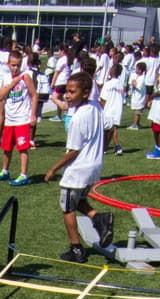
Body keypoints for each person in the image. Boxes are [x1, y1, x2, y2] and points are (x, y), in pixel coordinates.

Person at [45, 71, 112, 263]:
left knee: (67, 208)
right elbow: (108, 126)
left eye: (72, 92)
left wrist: (53, 169)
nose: (67, 96)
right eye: (66, 91)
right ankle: (99, 218)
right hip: (94, 166)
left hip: (78, 169)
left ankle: (76, 248)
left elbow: (73, 151)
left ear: (85, 93)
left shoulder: (78, 118)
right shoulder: (95, 107)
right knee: (77, 200)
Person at [0, 49, 36, 187]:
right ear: (8, 64)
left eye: (18, 65)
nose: (15, 68)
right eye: (13, 65)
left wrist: (33, 114)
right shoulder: (6, 78)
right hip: (10, 119)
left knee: (23, 148)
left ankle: (23, 175)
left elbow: (34, 95)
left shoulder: (26, 77)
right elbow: (1, 96)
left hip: (22, 118)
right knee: (7, 147)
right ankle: (5, 171)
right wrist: (13, 82)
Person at [99, 62, 125, 155]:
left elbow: (103, 98)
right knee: (112, 129)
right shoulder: (121, 84)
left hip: (109, 108)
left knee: (109, 129)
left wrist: (101, 108)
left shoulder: (108, 84)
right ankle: (108, 147)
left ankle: (112, 147)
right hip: (118, 108)